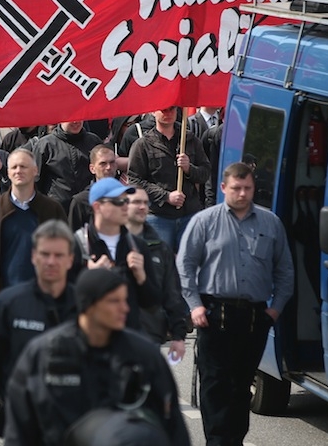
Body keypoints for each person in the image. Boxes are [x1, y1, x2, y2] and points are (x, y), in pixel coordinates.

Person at [176, 162, 294, 446]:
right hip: (215, 316)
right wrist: (194, 305)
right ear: (224, 188)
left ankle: (233, 441)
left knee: (241, 388)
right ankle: (217, 442)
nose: (242, 194)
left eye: (248, 188)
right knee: (215, 386)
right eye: (237, 188)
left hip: (254, 318)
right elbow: (185, 265)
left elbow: (285, 271)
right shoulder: (205, 221)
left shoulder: (270, 223)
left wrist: (275, 309)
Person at [3, 268, 189, 446]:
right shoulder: (44, 354)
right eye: (114, 301)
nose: (124, 308)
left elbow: (173, 425)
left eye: (125, 300)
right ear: (89, 305)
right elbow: (19, 428)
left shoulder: (144, 355)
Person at [0, 220, 78, 446]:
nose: (51, 262)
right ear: (33, 256)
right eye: (45, 254)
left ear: (71, 259)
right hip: (22, 427)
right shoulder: (6, 307)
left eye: (59, 255)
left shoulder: (88, 310)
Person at [0, 149, 66, 324]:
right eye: (14, 167)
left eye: (23, 166)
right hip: (3, 302)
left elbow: (67, 258)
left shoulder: (52, 209)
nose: (18, 171)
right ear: (7, 172)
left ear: (35, 171)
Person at [74, 177, 159, 331]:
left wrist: (141, 277)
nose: (125, 206)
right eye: (118, 202)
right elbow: (63, 299)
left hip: (126, 338)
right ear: (97, 206)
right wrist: (89, 277)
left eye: (126, 201)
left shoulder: (137, 246)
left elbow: (152, 305)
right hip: (90, 338)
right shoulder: (78, 245)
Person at [128, 106, 210, 251]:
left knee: (189, 263)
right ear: (153, 112)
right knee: (160, 265)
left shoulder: (190, 139)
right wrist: (165, 196)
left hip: (189, 214)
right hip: (158, 217)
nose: (168, 113)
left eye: (172, 109)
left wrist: (189, 168)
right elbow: (135, 181)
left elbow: (205, 173)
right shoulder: (143, 145)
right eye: (163, 110)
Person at [125, 186, 188, 358]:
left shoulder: (161, 248)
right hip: (115, 333)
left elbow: (172, 293)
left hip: (150, 334)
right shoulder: (109, 244)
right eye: (137, 202)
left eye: (146, 203)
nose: (143, 207)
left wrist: (178, 335)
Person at [33, 121, 102, 213]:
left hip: (89, 207)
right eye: (71, 118)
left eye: (79, 117)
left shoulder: (94, 141)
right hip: (57, 210)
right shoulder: (45, 145)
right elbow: (35, 181)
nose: (76, 121)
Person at [69, 144, 119, 231]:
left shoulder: (125, 196)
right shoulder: (81, 201)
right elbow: (74, 237)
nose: (109, 167)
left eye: (112, 162)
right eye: (103, 164)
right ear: (92, 169)